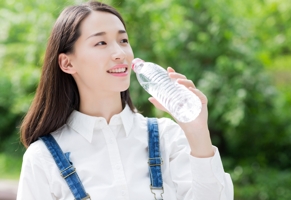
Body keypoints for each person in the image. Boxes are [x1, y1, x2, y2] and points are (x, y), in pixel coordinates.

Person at [17, 1, 233, 199]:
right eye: (101, 42)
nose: (120, 53)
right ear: (67, 63)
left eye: (123, 40)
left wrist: (197, 132)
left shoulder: (168, 138)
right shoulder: (42, 158)